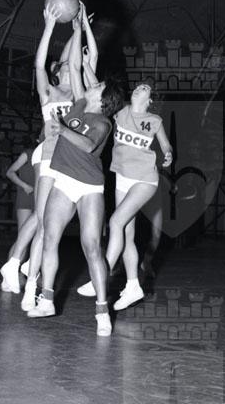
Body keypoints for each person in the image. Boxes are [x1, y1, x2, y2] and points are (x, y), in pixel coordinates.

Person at [27, 17, 125, 336]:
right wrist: (78, 28)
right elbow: (74, 63)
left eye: (98, 85)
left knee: (91, 246)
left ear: (102, 98)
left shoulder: (103, 124)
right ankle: (46, 299)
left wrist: (61, 129)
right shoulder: (81, 101)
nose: (92, 83)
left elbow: (86, 145)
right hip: (64, 179)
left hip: (89, 186)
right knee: (50, 238)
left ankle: (102, 310)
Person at [1, 1, 97, 309]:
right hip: (47, 156)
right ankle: (28, 281)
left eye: (71, 67)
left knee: (53, 227)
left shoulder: (80, 98)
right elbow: (40, 64)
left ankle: (26, 270)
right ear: (57, 73)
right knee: (42, 222)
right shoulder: (50, 93)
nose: (69, 68)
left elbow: (82, 60)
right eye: (64, 67)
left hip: (70, 164)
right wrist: (50, 26)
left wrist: (80, 28)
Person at [76, 82, 172, 310]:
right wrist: (88, 66)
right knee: (126, 235)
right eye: (138, 86)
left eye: (145, 88)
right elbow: (99, 89)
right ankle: (133, 286)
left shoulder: (154, 121)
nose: (140, 88)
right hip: (122, 176)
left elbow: (166, 146)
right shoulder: (121, 112)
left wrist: (168, 154)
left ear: (150, 100)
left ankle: (102, 272)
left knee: (116, 222)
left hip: (145, 179)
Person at [0, 143, 36, 292]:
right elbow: (10, 172)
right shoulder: (29, 153)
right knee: (22, 238)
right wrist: (25, 185)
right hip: (26, 196)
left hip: (39, 197)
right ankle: (8, 277)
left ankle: (21, 274)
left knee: (32, 239)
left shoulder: (51, 154)